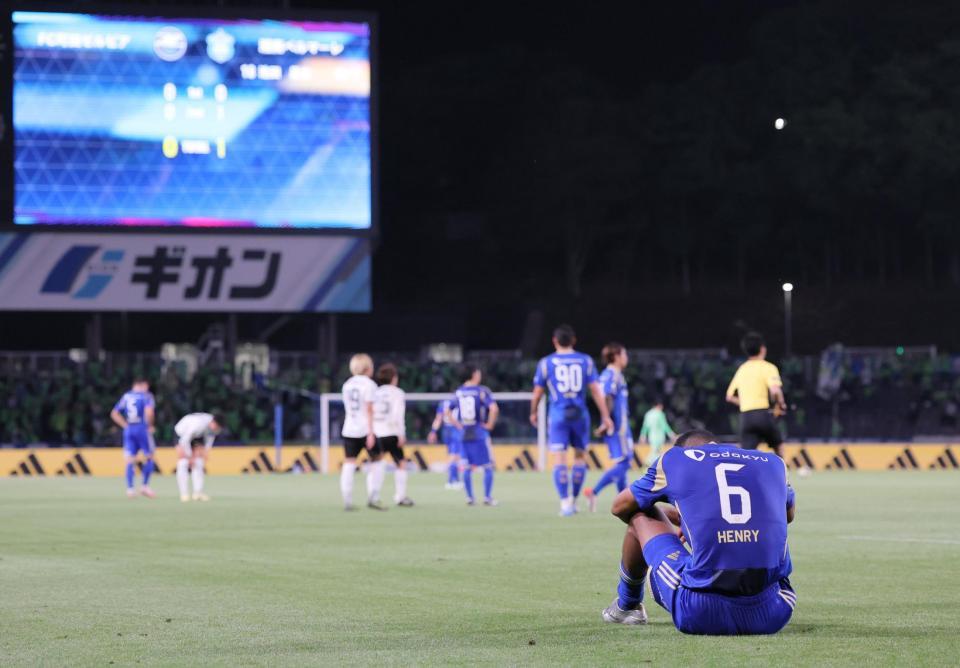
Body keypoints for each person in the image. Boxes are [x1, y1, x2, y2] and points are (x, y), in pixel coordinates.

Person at [601, 429, 796, 635]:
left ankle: (627, 605)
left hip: (700, 612)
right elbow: (788, 515)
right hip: (775, 610)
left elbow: (619, 507)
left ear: (685, 449)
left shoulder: (675, 459)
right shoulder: (773, 462)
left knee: (639, 512)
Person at [530, 324, 614, 516]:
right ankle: (574, 500)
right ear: (573, 340)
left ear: (554, 341)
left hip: (558, 415)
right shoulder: (585, 361)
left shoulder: (546, 363)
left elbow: (537, 393)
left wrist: (533, 412)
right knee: (579, 458)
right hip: (580, 415)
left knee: (559, 459)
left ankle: (565, 503)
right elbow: (595, 390)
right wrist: (605, 415)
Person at [584, 343, 632, 512]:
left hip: (620, 426)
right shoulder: (611, 375)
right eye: (624, 354)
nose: (626, 358)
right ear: (616, 357)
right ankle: (594, 491)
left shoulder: (616, 374)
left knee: (622, 463)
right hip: (618, 427)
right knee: (624, 463)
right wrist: (606, 420)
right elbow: (606, 396)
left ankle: (625, 501)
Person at [726, 332, 787, 457]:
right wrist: (780, 404)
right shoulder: (768, 367)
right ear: (762, 349)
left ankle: (746, 476)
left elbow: (729, 396)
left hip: (746, 417)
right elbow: (775, 390)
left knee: (746, 455)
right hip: (763, 415)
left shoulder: (742, 369)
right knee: (778, 445)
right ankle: (782, 474)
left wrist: (746, 402)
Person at [448, 365, 499, 506]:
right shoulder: (482, 391)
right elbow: (494, 408)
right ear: (475, 374)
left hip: (464, 433)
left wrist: (458, 425)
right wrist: (490, 424)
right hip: (479, 432)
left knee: (467, 466)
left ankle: (470, 498)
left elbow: (448, 411)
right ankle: (487, 497)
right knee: (488, 466)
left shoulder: (459, 392)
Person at [340, 353, 385, 511]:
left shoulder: (347, 384)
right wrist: (371, 432)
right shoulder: (369, 385)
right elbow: (369, 409)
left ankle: (347, 499)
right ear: (367, 368)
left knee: (349, 463)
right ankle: (374, 497)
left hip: (349, 429)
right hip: (366, 429)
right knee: (377, 461)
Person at [373, 363, 413, 507]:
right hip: (391, 431)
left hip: (377, 432)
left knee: (376, 463)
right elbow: (398, 415)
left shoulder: (375, 392)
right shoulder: (397, 393)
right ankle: (400, 497)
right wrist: (401, 434)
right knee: (401, 464)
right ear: (394, 378)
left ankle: (374, 494)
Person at [110, 378, 157, 498]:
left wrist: (125, 425)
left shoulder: (126, 396)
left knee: (130, 459)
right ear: (142, 385)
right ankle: (145, 486)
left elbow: (114, 413)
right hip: (142, 429)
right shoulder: (146, 396)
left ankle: (130, 489)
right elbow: (149, 412)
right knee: (149, 456)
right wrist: (150, 425)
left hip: (129, 429)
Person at [173, 412, 222, 502]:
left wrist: (205, 452)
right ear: (213, 422)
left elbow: (209, 439)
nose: (217, 429)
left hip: (197, 436)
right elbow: (185, 440)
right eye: (217, 427)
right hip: (182, 434)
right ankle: (184, 494)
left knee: (199, 462)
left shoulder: (213, 426)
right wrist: (189, 457)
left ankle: (198, 493)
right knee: (183, 463)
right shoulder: (198, 424)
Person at [428, 397, 462, 489]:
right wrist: (459, 426)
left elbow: (438, 418)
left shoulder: (443, 402)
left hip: (446, 431)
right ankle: (451, 481)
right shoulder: (458, 401)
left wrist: (433, 431)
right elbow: (448, 413)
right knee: (455, 456)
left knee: (453, 455)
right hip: (455, 430)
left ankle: (456, 480)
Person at [639, 399, 676, 466]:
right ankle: (647, 463)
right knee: (656, 451)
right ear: (659, 406)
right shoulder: (660, 413)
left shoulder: (648, 414)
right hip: (659, 435)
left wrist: (643, 435)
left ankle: (654, 465)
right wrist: (671, 434)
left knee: (656, 450)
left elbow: (645, 426)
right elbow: (664, 425)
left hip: (651, 435)